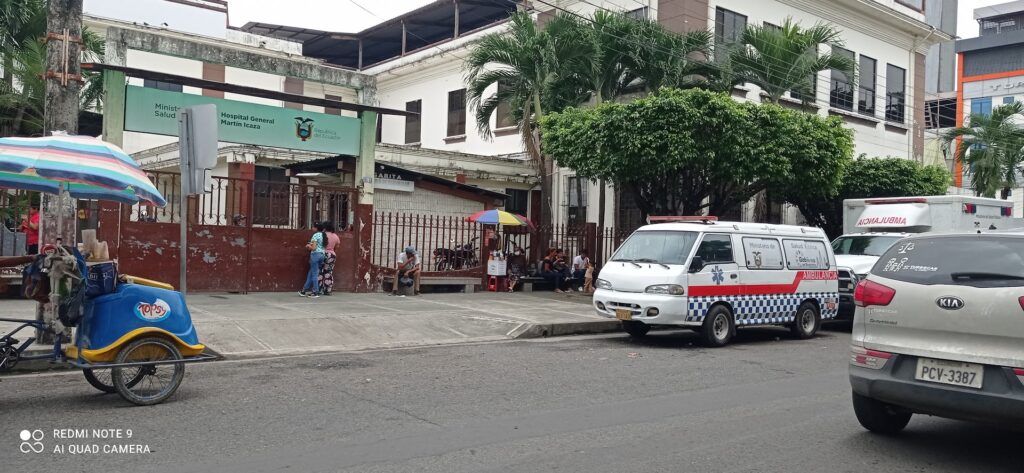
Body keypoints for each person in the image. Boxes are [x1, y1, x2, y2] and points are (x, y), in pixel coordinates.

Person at [299, 222, 327, 298]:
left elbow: (314, 248)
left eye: (313, 227)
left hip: (315, 255)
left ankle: (315, 292)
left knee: (314, 274)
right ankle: (304, 290)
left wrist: (308, 246)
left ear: (316, 228)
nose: (312, 228)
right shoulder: (323, 235)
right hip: (322, 255)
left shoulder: (315, 235)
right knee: (311, 272)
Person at [318, 221, 341, 295]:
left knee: (320, 271)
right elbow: (337, 247)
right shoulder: (335, 236)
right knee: (328, 272)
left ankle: (319, 289)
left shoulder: (322, 235)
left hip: (322, 254)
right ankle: (328, 290)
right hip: (331, 255)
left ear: (324, 228)